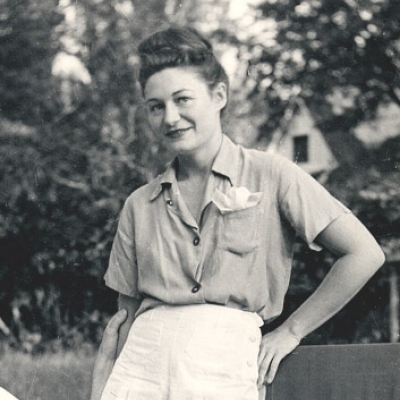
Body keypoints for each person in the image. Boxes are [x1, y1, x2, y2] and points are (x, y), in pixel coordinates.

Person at [95, 27, 385, 400]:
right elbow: (126, 317)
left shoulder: (272, 174)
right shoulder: (139, 204)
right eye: (156, 106)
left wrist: (292, 331)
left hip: (225, 364)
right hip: (143, 367)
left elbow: (364, 253)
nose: (170, 117)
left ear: (219, 95)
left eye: (183, 99)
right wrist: (105, 387)